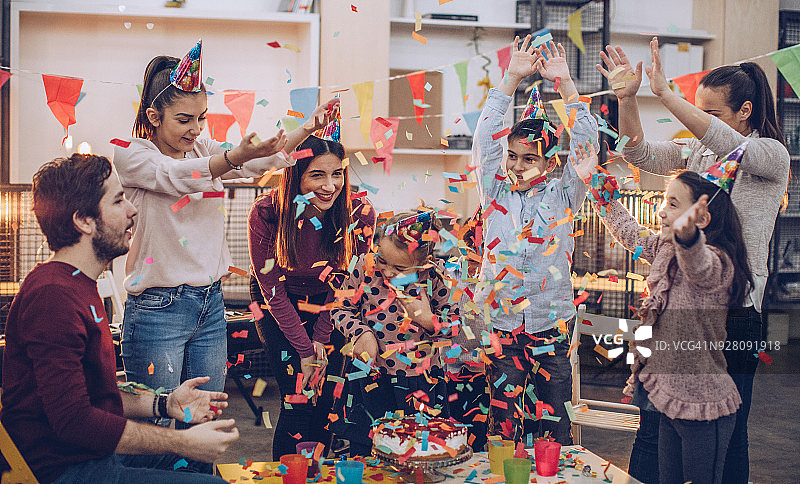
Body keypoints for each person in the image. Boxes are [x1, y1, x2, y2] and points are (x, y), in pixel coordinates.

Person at [596, 38, 790, 483]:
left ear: (745, 111)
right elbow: (637, 152)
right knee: (653, 425)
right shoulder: (698, 154)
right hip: (676, 309)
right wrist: (629, 98)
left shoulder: (770, 156)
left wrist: (667, 95)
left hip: (732, 314)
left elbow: (727, 145)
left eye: (712, 113)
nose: (700, 123)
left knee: (728, 433)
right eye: (696, 111)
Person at [114, 42, 340, 422]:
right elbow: (178, 178)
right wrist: (235, 156)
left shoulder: (201, 146)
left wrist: (305, 129)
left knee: (205, 421)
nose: (196, 128)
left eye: (201, 117)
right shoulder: (132, 154)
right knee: (160, 425)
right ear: (153, 115)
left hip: (209, 304)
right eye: (184, 119)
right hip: (157, 309)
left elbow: (259, 164)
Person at [0, 154, 238, 484]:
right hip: (66, 473)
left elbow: (94, 397)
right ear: (84, 221)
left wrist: (165, 403)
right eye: (118, 200)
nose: (132, 210)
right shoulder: (53, 296)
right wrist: (184, 442)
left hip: (91, 461)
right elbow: (75, 421)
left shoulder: (78, 284)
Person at [575, 138, 751, 483]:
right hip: (666, 393)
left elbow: (698, 264)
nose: (661, 211)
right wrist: (591, 179)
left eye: (672, 203)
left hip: (703, 402)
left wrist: (688, 237)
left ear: (702, 218)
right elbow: (628, 231)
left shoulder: (719, 264)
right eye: (663, 201)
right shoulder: (663, 249)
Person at [473, 35, 598, 445]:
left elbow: (586, 145)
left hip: (551, 325)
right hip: (503, 325)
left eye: (531, 158)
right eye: (513, 156)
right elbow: (484, 145)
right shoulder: (494, 192)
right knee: (503, 424)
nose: (518, 165)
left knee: (556, 424)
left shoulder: (565, 194)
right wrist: (510, 77)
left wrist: (566, 88)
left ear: (549, 161)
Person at [248, 131, 376, 459]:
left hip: (330, 301)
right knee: (298, 397)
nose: (329, 185)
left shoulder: (360, 213)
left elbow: (347, 284)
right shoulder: (266, 213)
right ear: (296, 176)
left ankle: (315, 473)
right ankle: (289, 477)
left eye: (337, 174)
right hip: (277, 300)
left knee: (326, 399)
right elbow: (273, 293)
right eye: (317, 175)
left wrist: (320, 340)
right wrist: (306, 351)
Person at [331, 210, 459, 456]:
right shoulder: (363, 267)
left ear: (424, 263)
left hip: (420, 382)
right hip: (371, 378)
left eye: (399, 267)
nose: (387, 272)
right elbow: (340, 309)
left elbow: (455, 325)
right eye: (382, 259)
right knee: (366, 449)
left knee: (419, 451)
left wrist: (429, 321)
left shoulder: (435, 275)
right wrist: (360, 333)